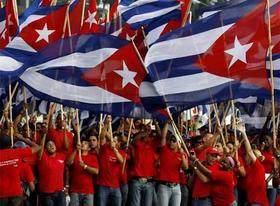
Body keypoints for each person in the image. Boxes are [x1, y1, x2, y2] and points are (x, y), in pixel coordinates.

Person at [0, 135, 40, 206]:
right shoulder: (17, 152)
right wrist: (22, 139)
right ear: (10, 144)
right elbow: (37, 147)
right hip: (16, 193)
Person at [236, 122, 269, 206]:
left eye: (248, 156)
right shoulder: (250, 169)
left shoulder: (258, 167)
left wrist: (243, 133)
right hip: (251, 202)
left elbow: (249, 151)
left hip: (258, 203)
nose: (246, 156)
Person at [156, 122, 188, 206]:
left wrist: (182, 155)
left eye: (174, 141)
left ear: (178, 143)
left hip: (176, 187)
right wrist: (166, 123)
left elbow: (185, 168)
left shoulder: (182, 154)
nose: (171, 142)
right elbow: (163, 136)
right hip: (164, 186)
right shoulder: (165, 150)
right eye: (170, 140)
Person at [96, 116, 124, 206]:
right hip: (103, 186)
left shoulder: (119, 152)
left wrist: (115, 150)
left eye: (115, 141)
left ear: (118, 144)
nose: (113, 142)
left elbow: (121, 161)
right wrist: (107, 124)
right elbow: (102, 137)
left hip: (115, 186)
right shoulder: (104, 149)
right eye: (112, 140)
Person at [130, 123, 159, 206]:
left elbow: (160, 137)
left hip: (149, 181)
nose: (147, 130)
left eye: (149, 128)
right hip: (137, 180)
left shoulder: (153, 142)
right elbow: (133, 141)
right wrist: (143, 133)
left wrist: (156, 124)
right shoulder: (137, 142)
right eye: (145, 128)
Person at [67, 139, 99, 206]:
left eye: (85, 143)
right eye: (82, 142)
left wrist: (85, 166)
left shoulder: (93, 157)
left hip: (88, 191)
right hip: (75, 190)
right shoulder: (75, 155)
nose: (82, 144)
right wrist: (75, 150)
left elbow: (96, 171)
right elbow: (68, 163)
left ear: (89, 148)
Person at [38, 140, 67, 206]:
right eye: (49, 145)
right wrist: (44, 135)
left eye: (53, 144)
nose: (51, 146)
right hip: (47, 193)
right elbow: (40, 147)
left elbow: (67, 170)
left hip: (60, 192)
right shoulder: (43, 157)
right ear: (45, 149)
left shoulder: (62, 156)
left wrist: (67, 185)